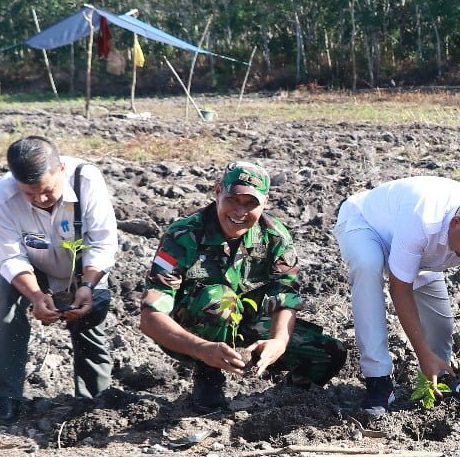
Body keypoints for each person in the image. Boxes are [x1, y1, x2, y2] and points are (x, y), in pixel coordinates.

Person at [140, 161, 347, 411]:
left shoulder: (274, 236)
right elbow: (150, 317)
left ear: (265, 202)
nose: (240, 211)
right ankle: (208, 380)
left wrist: (278, 341)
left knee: (329, 353)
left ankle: (284, 400)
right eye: (234, 200)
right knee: (220, 299)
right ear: (217, 191)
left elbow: (284, 296)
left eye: (251, 204)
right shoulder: (184, 234)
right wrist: (203, 350)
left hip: (248, 324)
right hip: (191, 333)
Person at [334, 176, 460, 417]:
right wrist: (422, 353)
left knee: (441, 327)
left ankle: (433, 381)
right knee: (368, 265)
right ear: (455, 223)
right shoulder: (422, 220)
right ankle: (378, 381)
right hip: (367, 225)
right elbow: (400, 289)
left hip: (423, 254)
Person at [0, 136, 118, 426]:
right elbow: (10, 256)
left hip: (81, 267)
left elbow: (103, 243)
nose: (40, 199)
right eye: (30, 194)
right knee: (6, 309)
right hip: (33, 268)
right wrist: (34, 296)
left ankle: (94, 398)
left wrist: (88, 286)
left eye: (47, 191)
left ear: (61, 169)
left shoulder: (86, 181)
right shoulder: (1, 197)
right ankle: (1, 398)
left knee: (91, 313)